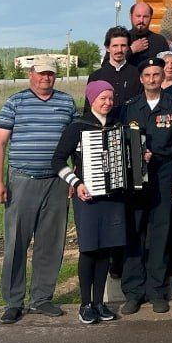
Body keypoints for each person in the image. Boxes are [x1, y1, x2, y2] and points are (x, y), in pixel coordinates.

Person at [0, 58, 79, 323]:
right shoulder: (15, 102)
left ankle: (41, 298)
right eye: (41, 74)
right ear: (31, 75)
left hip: (56, 181)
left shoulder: (66, 103)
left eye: (50, 74)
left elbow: (76, 143)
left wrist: (73, 179)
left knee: (50, 243)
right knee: (16, 242)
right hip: (22, 180)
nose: (46, 78)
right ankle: (13, 302)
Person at [51, 80, 126, 325]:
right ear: (91, 99)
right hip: (87, 198)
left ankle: (99, 302)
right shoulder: (78, 127)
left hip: (112, 198)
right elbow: (58, 160)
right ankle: (85, 303)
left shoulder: (118, 126)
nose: (107, 103)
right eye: (102, 98)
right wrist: (76, 183)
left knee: (106, 249)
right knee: (89, 249)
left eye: (110, 98)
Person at [119, 60, 172, 314]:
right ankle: (134, 292)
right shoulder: (128, 109)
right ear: (141, 79)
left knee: (160, 233)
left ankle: (157, 291)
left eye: (156, 74)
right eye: (147, 75)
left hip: (164, 176)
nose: (151, 79)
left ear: (163, 77)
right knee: (134, 232)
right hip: (136, 179)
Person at [85, 27, 141, 112]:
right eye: (115, 46)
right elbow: (88, 109)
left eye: (123, 45)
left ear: (128, 48)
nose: (119, 50)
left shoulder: (138, 74)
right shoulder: (95, 77)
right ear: (107, 48)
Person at [123, 2, 170, 67]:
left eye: (145, 17)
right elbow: (109, 64)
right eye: (138, 16)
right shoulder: (121, 38)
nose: (141, 20)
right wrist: (131, 50)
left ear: (151, 17)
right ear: (130, 16)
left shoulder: (159, 41)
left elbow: (167, 65)